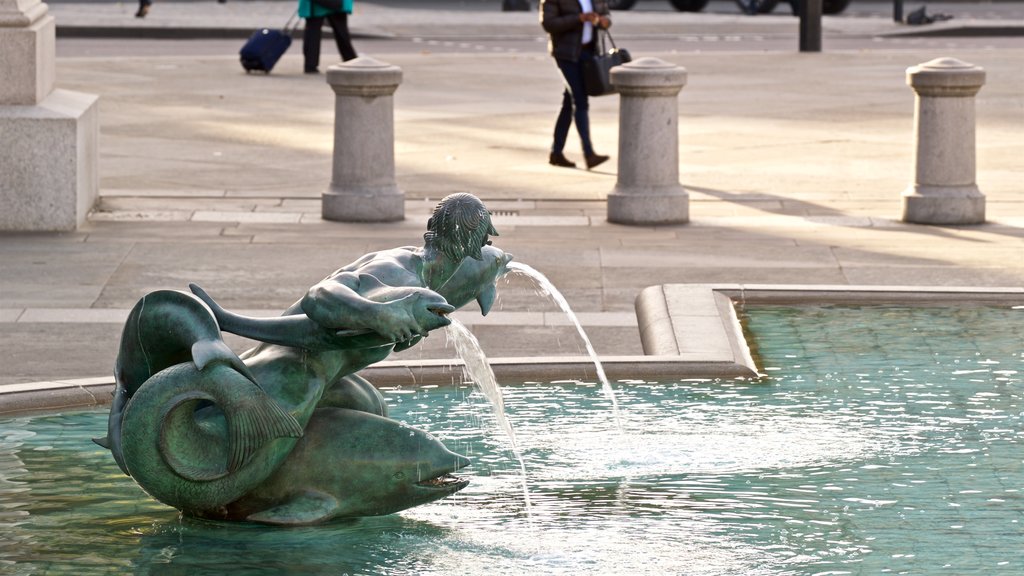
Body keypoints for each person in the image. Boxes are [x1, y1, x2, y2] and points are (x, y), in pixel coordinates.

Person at [540, 0, 611, 170]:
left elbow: (606, 14)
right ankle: (589, 153)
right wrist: (579, 18)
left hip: (587, 52)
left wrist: (603, 21)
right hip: (565, 53)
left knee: (568, 102)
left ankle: (556, 153)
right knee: (580, 100)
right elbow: (549, 24)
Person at [299, 0, 358, 74]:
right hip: (334, 4)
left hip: (315, 6)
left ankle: (310, 65)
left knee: (312, 34)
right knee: (341, 32)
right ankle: (351, 60)